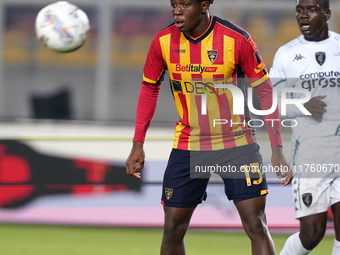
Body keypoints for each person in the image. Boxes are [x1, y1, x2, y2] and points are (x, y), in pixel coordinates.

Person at [126, 0, 293, 254]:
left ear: (204, 5)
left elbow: (265, 91)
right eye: (174, 4)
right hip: (189, 143)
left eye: (185, 4)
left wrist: (277, 147)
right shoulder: (162, 41)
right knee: (172, 228)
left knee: (255, 224)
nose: (177, 11)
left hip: (236, 143)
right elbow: (149, 87)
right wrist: (138, 143)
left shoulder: (237, 39)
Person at [269, 0, 340, 254]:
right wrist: (302, 104)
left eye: (311, 9)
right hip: (310, 156)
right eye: (299, 10)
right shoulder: (287, 54)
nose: (303, 15)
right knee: (311, 235)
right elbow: (270, 99)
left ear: (327, 13)